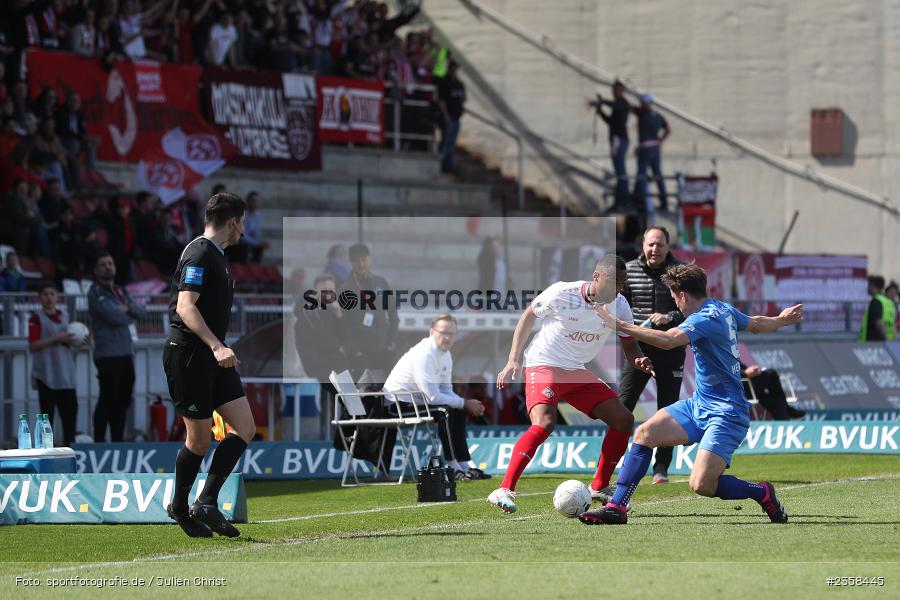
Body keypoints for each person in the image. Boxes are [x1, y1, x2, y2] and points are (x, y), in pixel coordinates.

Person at [579, 263, 802, 525]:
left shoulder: (704, 318)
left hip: (728, 413)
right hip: (699, 405)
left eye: (675, 298)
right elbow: (755, 324)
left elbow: (670, 339)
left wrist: (621, 325)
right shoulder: (723, 308)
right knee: (644, 434)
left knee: (702, 484)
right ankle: (617, 506)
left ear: (682, 295)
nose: (677, 306)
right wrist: (781, 320)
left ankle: (762, 493)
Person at [487, 255, 653, 513]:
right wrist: (512, 359)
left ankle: (599, 486)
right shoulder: (563, 293)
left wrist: (638, 357)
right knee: (544, 424)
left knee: (623, 419)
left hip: (576, 370)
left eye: (622, 284)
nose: (618, 290)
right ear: (597, 277)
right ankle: (503, 489)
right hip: (544, 363)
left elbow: (630, 343)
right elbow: (529, 316)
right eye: (613, 283)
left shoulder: (619, 305)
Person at [163, 192, 254, 538]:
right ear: (233, 222)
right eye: (243, 222)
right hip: (190, 353)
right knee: (198, 440)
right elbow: (186, 307)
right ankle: (179, 506)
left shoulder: (215, 255)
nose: (244, 230)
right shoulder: (200, 252)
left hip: (213, 354)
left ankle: (207, 501)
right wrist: (216, 346)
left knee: (243, 428)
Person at [383, 314, 491, 481]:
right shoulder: (424, 354)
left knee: (457, 410)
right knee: (444, 411)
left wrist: (464, 405)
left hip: (416, 403)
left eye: (452, 334)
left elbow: (446, 390)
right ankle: (451, 465)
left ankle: (465, 463)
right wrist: (465, 402)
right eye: (443, 333)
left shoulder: (445, 354)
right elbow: (432, 397)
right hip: (395, 406)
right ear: (431, 332)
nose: (447, 337)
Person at [618, 226, 685, 484]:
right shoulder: (630, 271)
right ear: (642, 245)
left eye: (660, 244)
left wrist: (669, 317)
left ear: (668, 246)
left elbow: (692, 310)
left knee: (667, 410)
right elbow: (618, 306)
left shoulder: (678, 272)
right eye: (650, 244)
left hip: (671, 349)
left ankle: (661, 467)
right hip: (638, 349)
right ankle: (615, 460)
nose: (654, 249)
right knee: (622, 408)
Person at [88, 252, 145, 442]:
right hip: (107, 354)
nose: (108, 267)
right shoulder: (95, 292)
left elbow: (141, 311)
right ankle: (99, 442)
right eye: (103, 264)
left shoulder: (122, 291)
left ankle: (117, 442)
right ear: (96, 270)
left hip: (125, 352)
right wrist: (128, 310)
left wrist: (127, 308)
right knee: (107, 398)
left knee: (123, 400)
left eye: (110, 263)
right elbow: (114, 316)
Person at [28, 283, 80, 446]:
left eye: (52, 294)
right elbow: (33, 345)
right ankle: (47, 456)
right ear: (40, 298)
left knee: (70, 419)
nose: (49, 297)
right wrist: (58, 338)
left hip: (66, 377)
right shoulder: (36, 318)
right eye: (45, 294)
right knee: (47, 421)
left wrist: (83, 340)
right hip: (46, 376)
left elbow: (73, 340)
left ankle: (71, 455)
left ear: (57, 297)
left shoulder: (65, 317)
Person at [338, 243, 399, 379]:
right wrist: (354, 351)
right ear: (351, 262)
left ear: (369, 260)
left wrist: (392, 343)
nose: (361, 264)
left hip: (384, 349)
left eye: (364, 259)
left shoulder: (381, 283)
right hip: (361, 352)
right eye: (357, 260)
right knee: (364, 392)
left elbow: (393, 314)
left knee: (395, 386)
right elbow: (342, 324)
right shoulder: (346, 289)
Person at [294, 273, 346, 419]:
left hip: (332, 362)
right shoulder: (307, 308)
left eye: (331, 290)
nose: (327, 294)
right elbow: (323, 339)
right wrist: (337, 345)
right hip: (316, 363)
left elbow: (344, 338)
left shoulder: (331, 310)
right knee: (343, 393)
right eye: (324, 290)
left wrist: (338, 315)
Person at [591, 80, 631, 209]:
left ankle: (623, 201)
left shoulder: (623, 103)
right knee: (619, 171)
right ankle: (621, 200)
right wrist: (600, 110)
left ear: (622, 91)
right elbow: (611, 121)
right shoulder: (618, 104)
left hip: (619, 140)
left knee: (620, 171)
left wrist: (602, 102)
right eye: (614, 89)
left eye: (617, 89)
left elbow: (615, 105)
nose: (614, 92)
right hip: (617, 140)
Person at [632, 93, 670, 212]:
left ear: (645, 103)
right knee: (658, 175)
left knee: (641, 174)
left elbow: (631, 108)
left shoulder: (642, 113)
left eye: (642, 102)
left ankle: (637, 200)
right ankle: (664, 202)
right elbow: (668, 130)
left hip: (645, 148)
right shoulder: (659, 116)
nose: (640, 104)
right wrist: (660, 140)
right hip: (656, 148)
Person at [741, 362, 805, 420]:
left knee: (777, 401)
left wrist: (753, 371)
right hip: (738, 391)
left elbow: (741, 368)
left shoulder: (733, 356)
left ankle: (784, 425)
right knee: (771, 374)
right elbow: (731, 376)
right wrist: (745, 373)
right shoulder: (731, 357)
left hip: (748, 386)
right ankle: (787, 409)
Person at [437, 60, 465, 174]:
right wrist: (446, 115)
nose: (455, 72)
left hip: (457, 116)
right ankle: (441, 164)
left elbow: (463, 98)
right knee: (446, 141)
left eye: (456, 70)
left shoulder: (459, 83)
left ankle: (448, 165)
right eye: (453, 69)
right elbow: (441, 100)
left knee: (452, 142)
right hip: (449, 117)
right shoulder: (445, 82)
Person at [859, 275, 895, 341]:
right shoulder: (888, 302)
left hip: (875, 343)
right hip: (887, 343)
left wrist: (886, 340)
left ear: (873, 286)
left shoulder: (876, 302)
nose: (868, 288)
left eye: (869, 285)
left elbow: (879, 323)